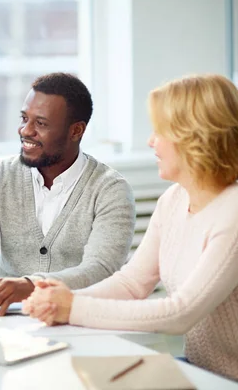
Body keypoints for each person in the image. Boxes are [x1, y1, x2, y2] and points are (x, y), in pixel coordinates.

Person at [23, 74, 238, 381]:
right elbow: (133, 283)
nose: (151, 141)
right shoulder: (174, 199)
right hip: (200, 371)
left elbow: (180, 313)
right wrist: (64, 298)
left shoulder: (233, 212)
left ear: (194, 137)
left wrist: (73, 308)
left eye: (160, 132)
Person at [0, 72, 136, 315]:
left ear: (76, 130)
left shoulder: (111, 190)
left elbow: (100, 268)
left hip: (79, 321)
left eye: (41, 124)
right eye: (25, 118)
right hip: (10, 319)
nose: (26, 131)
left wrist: (30, 286)